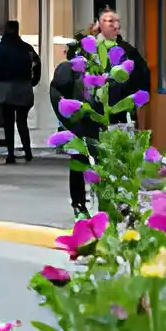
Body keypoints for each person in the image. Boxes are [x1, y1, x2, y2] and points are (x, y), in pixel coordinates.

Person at [49, 40, 97, 215]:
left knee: (83, 159)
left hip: (86, 121)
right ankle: (80, 201)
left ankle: (81, 201)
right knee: (82, 159)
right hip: (84, 122)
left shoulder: (79, 70)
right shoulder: (71, 71)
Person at [0, 19, 40, 163]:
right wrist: (34, 80)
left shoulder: (0, 49)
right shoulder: (26, 48)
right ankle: (27, 151)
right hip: (23, 87)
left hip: (6, 87)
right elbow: (37, 64)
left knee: (8, 123)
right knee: (22, 121)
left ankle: (11, 154)